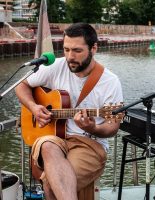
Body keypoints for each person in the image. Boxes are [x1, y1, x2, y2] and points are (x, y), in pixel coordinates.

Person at [15, 23, 123, 200]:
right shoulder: (56, 66)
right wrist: (34, 107)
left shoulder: (110, 81)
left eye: (77, 51)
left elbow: (113, 127)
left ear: (94, 48)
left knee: (51, 183)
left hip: (89, 144)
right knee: (47, 144)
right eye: (66, 49)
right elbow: (22, 86)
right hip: (56, 138)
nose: (70, 57)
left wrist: (92, 128)